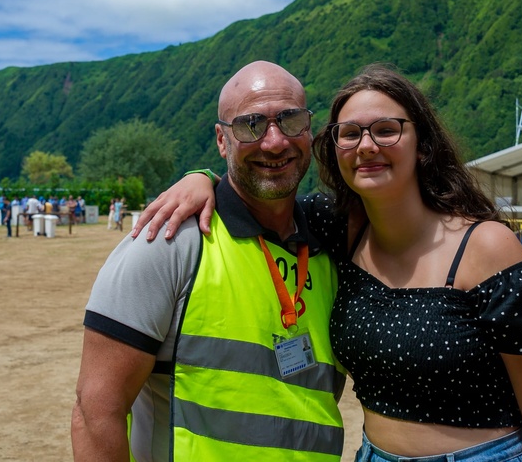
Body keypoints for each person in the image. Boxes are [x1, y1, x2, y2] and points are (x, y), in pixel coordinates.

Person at [133, 64, 522, 461]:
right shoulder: (335, 229)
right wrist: (201, 179)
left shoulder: (489, 248)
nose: (367, 146)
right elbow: (255, 192)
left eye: (386, 129)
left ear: (421, 143)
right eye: (350, 133)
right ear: (335, 149)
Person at [71, 61, 346, 461]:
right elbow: (95, 413)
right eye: (250, 124)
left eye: (289, 120)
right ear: (222, 140)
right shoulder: (169, 242)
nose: (274, 141)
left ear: (309, 128)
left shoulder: (329, 252)